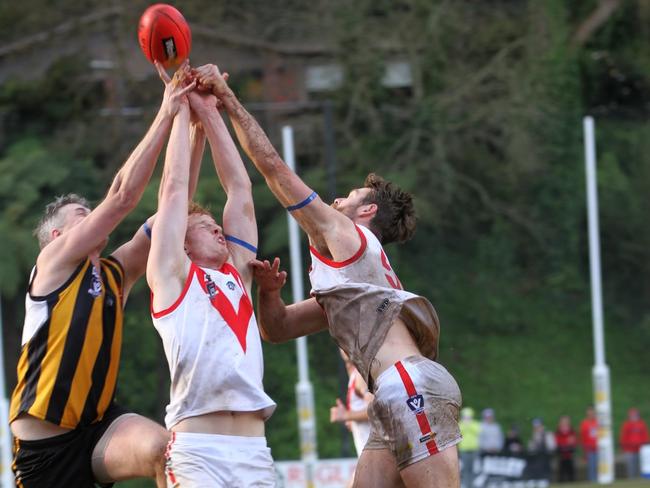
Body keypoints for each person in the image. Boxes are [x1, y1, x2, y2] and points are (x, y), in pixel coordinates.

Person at [195, 64, 463, 488]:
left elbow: (272, 168)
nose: (338, 198)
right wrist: (268, 292)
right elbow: (278, 329)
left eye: (351, 196)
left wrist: (227, 99)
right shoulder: (352, 287)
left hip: (408, 384)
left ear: (368, 212)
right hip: (392, 395)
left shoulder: (351, 236)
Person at [8, 60, 193, 488]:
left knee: (166, 451)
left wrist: (190, 121)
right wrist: (166, 111)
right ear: (56, 235)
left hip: (97, 429)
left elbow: (172, 207)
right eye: (81, 214)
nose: (92, 216)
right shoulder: (53, 263)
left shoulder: (113, 273)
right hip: (44, 450)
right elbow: (124, 196)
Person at [146, 66, 276, 487]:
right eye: (205, 226)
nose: (219, 228)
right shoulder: (171, 275)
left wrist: (211, 110)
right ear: (181, 244)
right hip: (199, 451)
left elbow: (240, 190)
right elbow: (173, 187)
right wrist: (180, 108)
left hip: (255, 451)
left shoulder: (237, 270)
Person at [330, 349, 374, 456]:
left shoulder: (360, 375)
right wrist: (353, 420)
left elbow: (375, 410)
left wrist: (347, 415)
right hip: (369, 453)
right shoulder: (355, 373)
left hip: (374, 454)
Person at [619, 407, 649, 478]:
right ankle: (631, 478)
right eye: (632, 415)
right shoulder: (626, 425)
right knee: (630, 465)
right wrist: (623, 446)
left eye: (635, 414)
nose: (634, 416)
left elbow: (645, 435)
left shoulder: (642, 424)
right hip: (629, 449)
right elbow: (623, 436)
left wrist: (645, 444)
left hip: (641, 448)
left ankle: (640, 477)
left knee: (640, 464)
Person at [458, 407, 481, 488]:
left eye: (468, 417)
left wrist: (469, 425)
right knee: (465, 468)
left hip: (474, 449)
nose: (467, 418)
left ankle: (473, 484)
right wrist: (466, 425)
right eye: (465, 416)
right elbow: (459, 432)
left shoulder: (476, 424)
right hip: (464, 449)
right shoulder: (460, 424)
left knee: (474, 468)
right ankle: (466, 484)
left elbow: (478, 431)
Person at [554, 415, 577, 482]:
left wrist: (569, 445)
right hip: (561, 454)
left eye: (566, 421)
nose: (565, 423)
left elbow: (574, 441)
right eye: (563, 421)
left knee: (571, 470)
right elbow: (557, 441)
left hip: (569, 454)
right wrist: (563, 446)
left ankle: (572, 482)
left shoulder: (571, 431)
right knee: (561, 470)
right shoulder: (558, 431)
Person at [579, 406, 598, 481]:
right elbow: (582, 437)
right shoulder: (584, 423)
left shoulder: (598, 422)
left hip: (598, 448)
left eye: (592, 412)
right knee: (591, 466)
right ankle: (592, 481)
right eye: (589, 412)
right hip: (589, 449)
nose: (591, 414)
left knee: (599, 466)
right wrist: (584, 449)